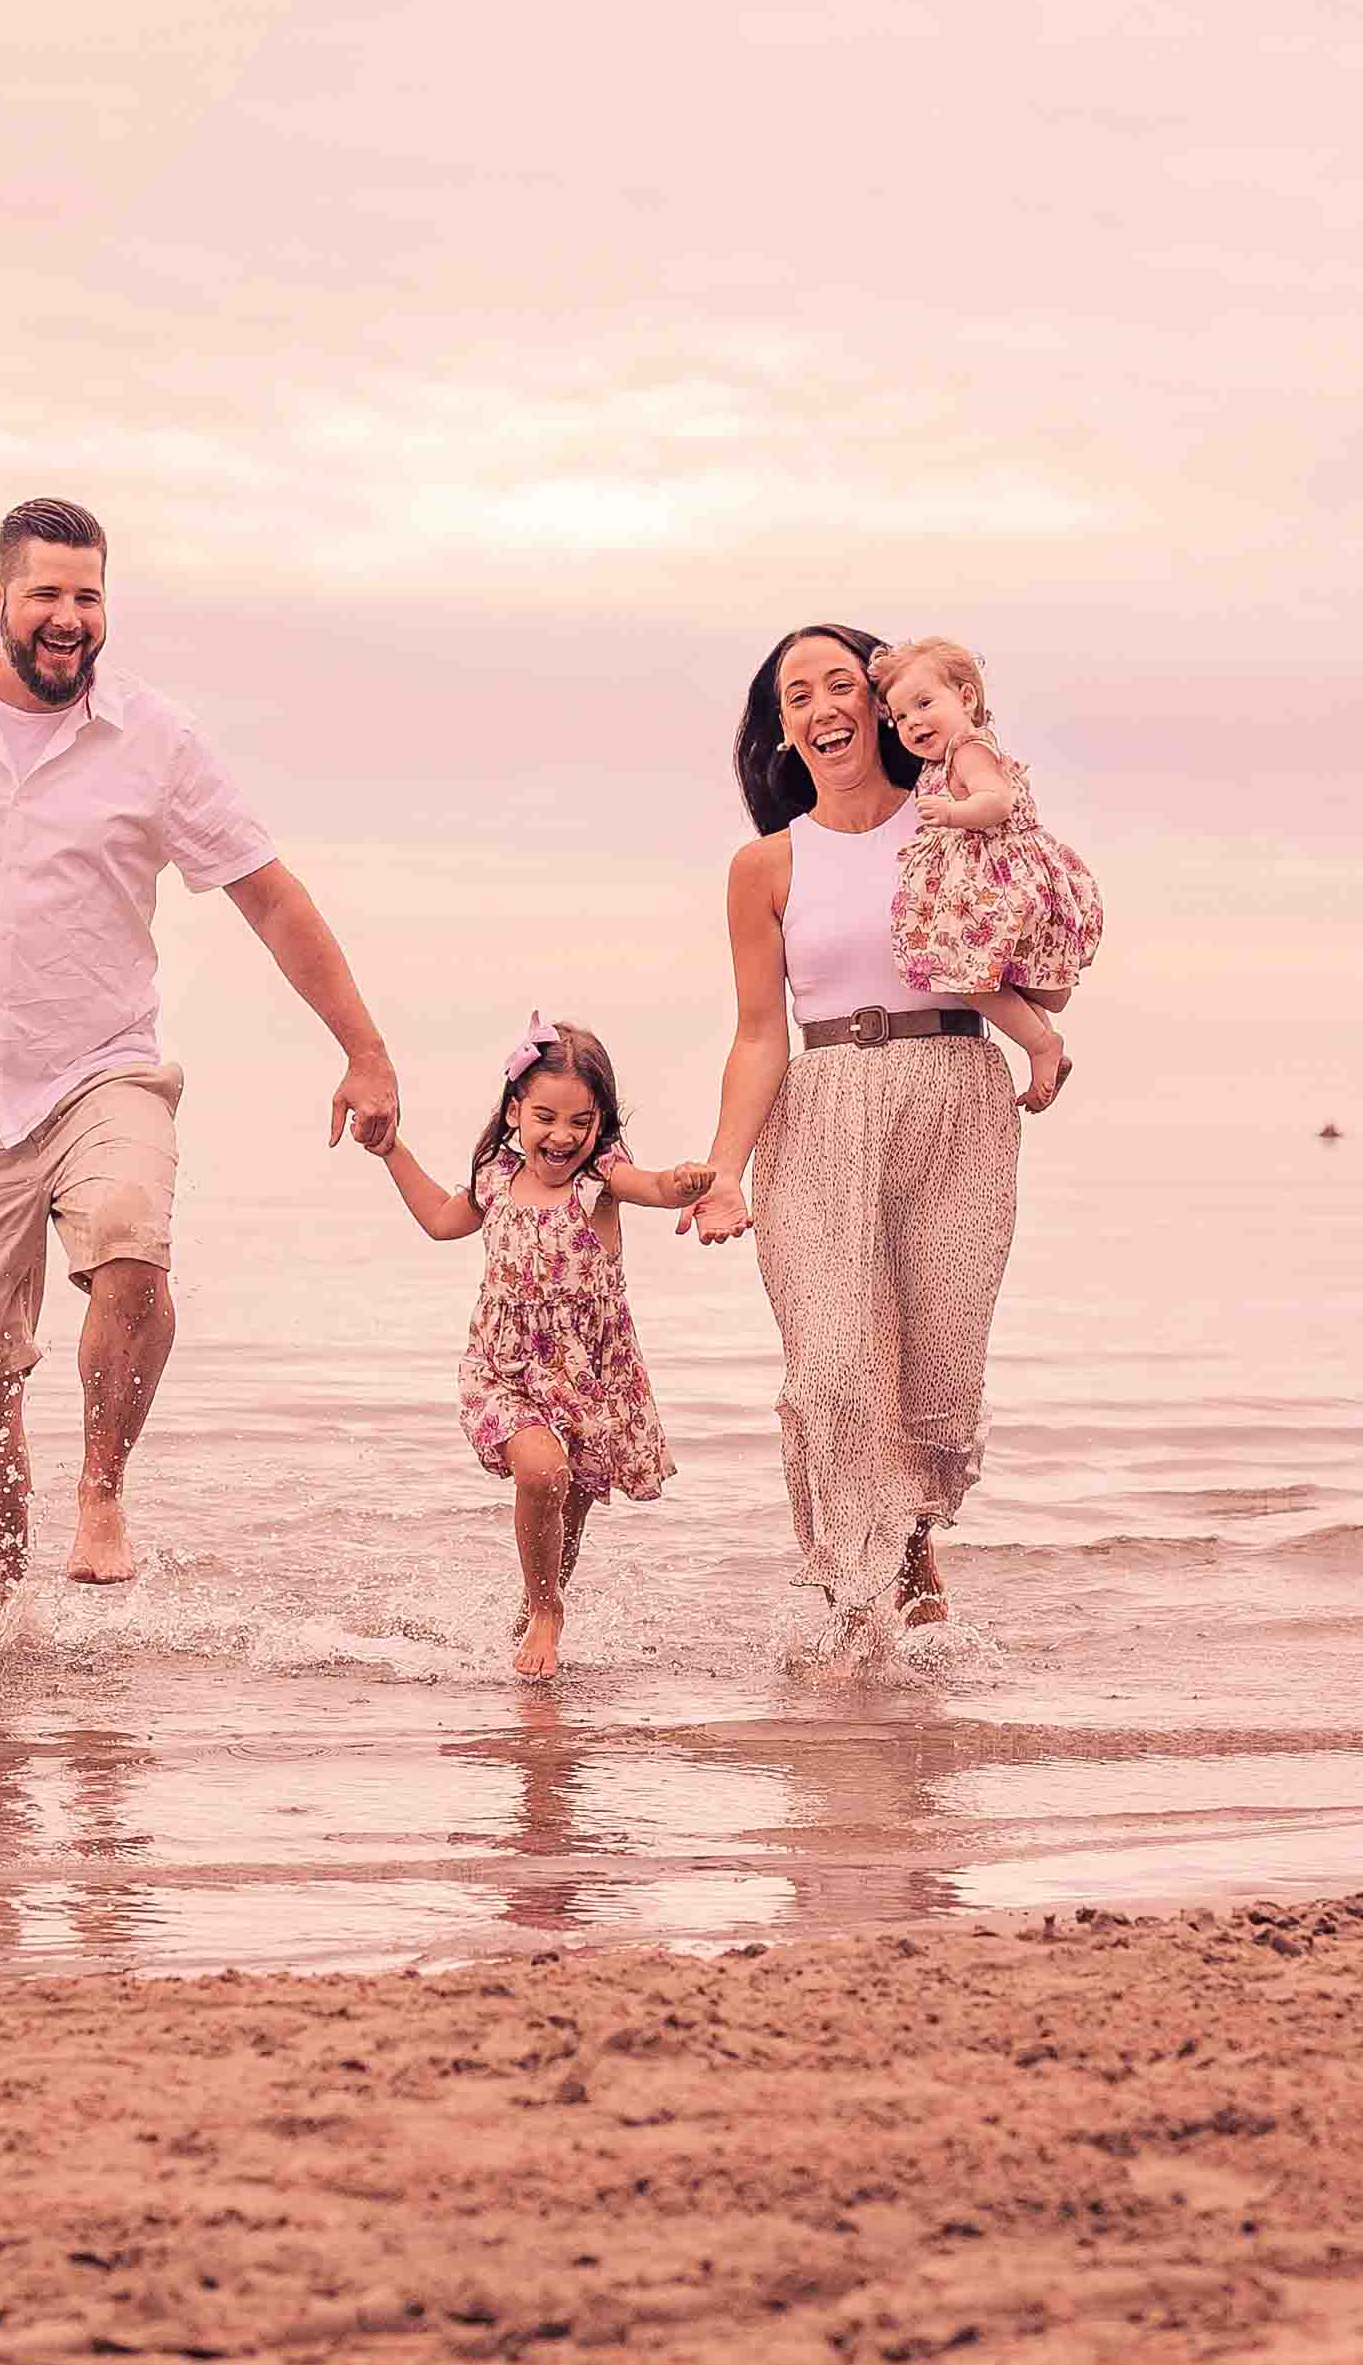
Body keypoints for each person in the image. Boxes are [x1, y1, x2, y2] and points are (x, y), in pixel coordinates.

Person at [0, 495, 401, 1590]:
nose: (69, 617)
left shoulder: (158, 739)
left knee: (129, 1240)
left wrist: (365, 1051)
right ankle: (3, 1622)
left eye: (89, 595)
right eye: (48, 593)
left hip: (102, 1066)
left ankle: (100, 1490)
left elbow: (273, 900)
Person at [681, 625, 1059, 1632]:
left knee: (932, 1367)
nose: (821, 708)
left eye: (840, 685)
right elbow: (760, 1034)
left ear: (882, 706)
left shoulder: (952, 821)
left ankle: (910, 1550)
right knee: (837, 1363)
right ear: (780, 730)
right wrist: (724, 1171)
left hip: (956, 1106)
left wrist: (1040, 1026)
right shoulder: (762, 866)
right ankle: (858, 1605)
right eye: (796, 695)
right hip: (819, 1112)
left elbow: (1044, 959)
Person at [355, 1015, 710, 1678]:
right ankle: (548, 1612)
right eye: (545, 1116)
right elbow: (439, 1218)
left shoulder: (605, 1174)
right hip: (505, 1372)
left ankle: (533, 1606)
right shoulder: (495, 1175)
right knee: (541, 1473)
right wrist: (390, 1150)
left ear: (600, 1122)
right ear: (515, 1110)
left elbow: (655, 1187)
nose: (563, 1135)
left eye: (581, 1120)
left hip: (587, 1379)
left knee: (565, 1516)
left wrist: (685, 1182)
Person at [871, 634, 1105, 1116]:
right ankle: (1045, 1044)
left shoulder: (968, 748)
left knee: (968, 978)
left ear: (967, 697)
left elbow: (997, 801)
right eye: (900, 718)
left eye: (923, 703)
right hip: (992, 885)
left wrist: (953, 813)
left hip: (1001, 883)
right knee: (992, 975)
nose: (912, 722)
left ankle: (1040, 1044)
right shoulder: (944, 760)